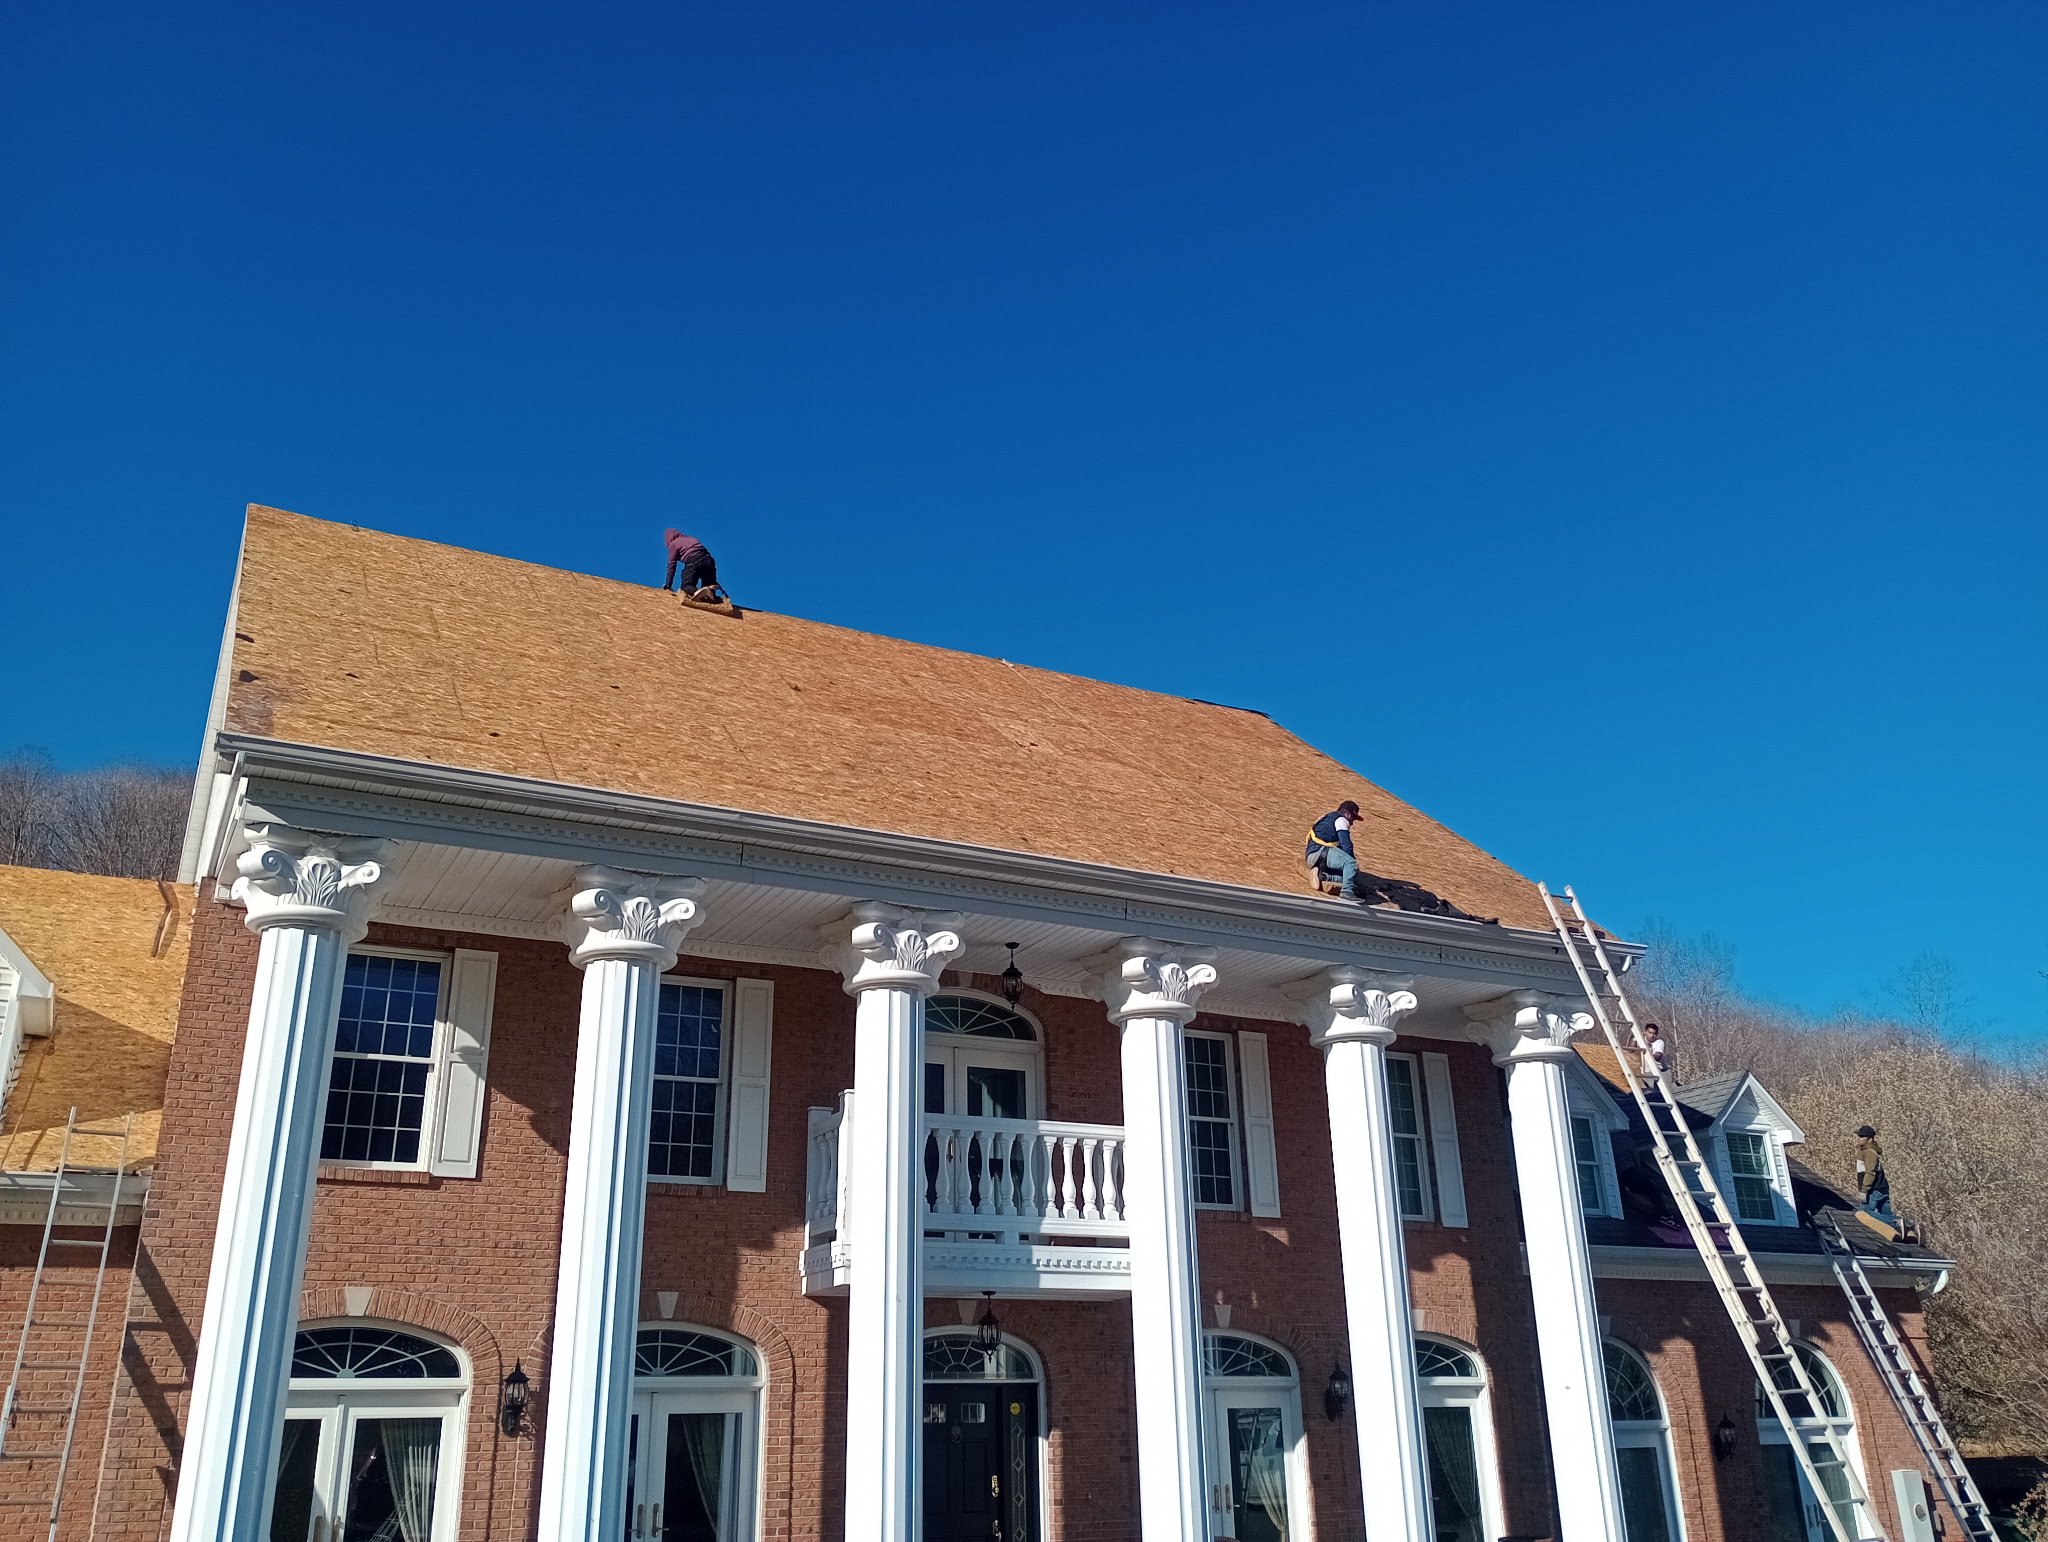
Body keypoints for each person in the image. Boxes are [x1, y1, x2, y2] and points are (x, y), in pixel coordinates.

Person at [1305, 800, 1363, 899]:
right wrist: (1353, 864)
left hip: (1311, 857)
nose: (1352, 823)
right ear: (1348, 813)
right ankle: (1347, 892)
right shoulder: (1341, 820)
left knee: (1349, 876)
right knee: (1351, 864)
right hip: (1321, 853)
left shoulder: (1326, 818)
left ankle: (1322, 876)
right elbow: (1347, 845)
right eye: (1353, 818)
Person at [662, 529, 719, 598]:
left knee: (686, 586)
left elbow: (671, 565)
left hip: (694, 560)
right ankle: (710, 592)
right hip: (709, 560)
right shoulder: (691, 538)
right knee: (708, 586)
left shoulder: (673, 544)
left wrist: (668, 585)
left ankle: (700, 592)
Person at [1854, 1125, 1894, 1223]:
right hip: (1882, 1189)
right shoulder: (1869, 1151)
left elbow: (1870, 1173)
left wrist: (1864, 1190)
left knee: (1865, 1214)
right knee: (1887, 1217)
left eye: (1862, 1136)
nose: (1858, 1138)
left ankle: (1895, 1222)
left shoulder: (1869, 1152)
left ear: (1870, 1139)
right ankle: (1908, 1230)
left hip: (1874, 1190)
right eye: (1858, 1135)